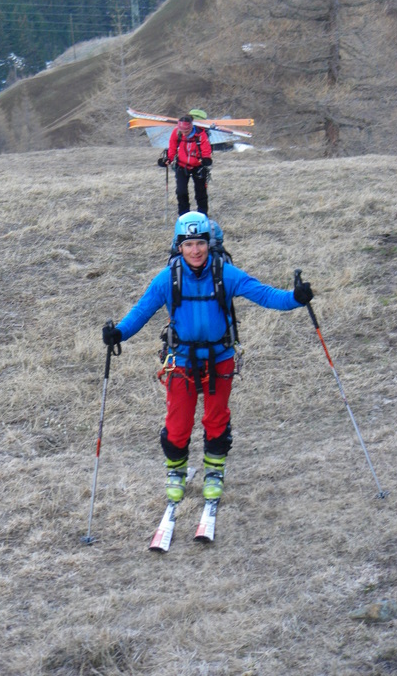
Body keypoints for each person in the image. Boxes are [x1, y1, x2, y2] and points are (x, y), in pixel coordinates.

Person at [102, 211, 314, 504]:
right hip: (181, 360)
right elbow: (142, 311)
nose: (195, 250)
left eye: (200, 243)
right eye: (188, 244)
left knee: (216, 420)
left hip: (220, 358)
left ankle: (214, 472)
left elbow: (264, 295)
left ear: (208, 243)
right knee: (178, 424)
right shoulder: (168, 278)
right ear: (179, 246)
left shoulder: (226, 273)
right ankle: (176, 473)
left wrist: (295, 298)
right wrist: (120, 334)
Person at [157, 114, 213, 216]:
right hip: (182, 166)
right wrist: (168, 159)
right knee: (181, 191)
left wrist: (206, 159)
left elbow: (206, 148)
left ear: (191, 126)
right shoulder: (176, 132)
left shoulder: (201, 134)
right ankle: (183, 215)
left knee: (201, 193)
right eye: (182, 131)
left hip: (198, 166)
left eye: (186, 131)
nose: (184, 133)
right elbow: (172, 146)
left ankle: (202, 215)